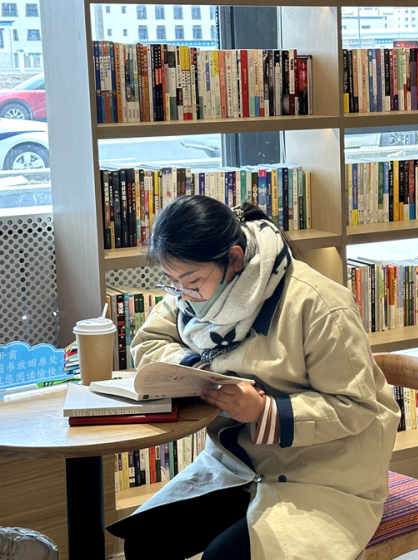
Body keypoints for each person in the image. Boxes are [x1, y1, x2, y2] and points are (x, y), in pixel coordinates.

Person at [107, 195, 401, 560]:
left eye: (191, 282)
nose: (183, 295)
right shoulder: (191, 292)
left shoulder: (319, 303)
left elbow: (356, 406)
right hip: (237, 465)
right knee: (145, 541)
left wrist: (265, 411)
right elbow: (150, 341)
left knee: (225, 557)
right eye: (172, 283)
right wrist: (196, 369)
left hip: (322, 473)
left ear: (233, 259)